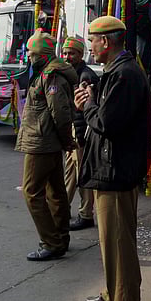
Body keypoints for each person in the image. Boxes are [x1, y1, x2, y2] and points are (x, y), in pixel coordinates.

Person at [75, 16, 151, 301]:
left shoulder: (126, 74)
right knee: (110, 242)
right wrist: (94, 98)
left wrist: (88, 105)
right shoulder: (116, 72)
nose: (89, 46)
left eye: (92, 40)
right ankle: (114, 294)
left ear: (106, 42)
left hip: (117, 172)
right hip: (111, 170)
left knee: (119, 245)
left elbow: (107, 122)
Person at [15, 29, 78, 262]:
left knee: (32, 193)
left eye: (32, 53)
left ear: (43, 55)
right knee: (56, 191)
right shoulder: (47, 72)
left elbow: (60, 113)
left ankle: (51, 242)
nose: (29, 57)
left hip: (41, 143)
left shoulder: (51, 76)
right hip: (47, 142)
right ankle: (60, 237)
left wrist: (66, 141)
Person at [62, 36, 99, 231]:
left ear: (80, 54)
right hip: (73, 131)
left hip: (81, 132)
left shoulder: (85, 76)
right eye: (66, 53)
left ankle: (85, 214)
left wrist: (81, 133)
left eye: (72, 53)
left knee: (81, 173)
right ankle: (63, 209)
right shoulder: (72, 74)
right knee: (70, 171)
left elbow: (86, 109)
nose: (68, 56)